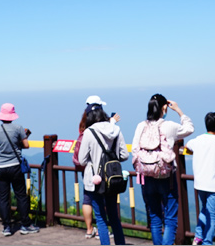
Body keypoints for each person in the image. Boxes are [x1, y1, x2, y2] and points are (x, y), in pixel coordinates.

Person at [131, 94, 194, 245]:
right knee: (171, 219)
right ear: (164, 107)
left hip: (146, 177)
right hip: (167, 178)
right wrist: (179, 110)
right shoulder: (169, 126)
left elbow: (134, 150)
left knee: (154, 218)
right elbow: (189, 128)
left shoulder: (141, 126)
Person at [78, 103, 129, 245]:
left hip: (95, 180)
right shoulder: (116, 129)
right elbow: (124, 155)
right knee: (114, 216)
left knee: (100, 217)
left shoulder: (89, 132)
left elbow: (82, 160)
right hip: (112, 178)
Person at [0, 103, 39, 236]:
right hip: (15, 166)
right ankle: (25, 225)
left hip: (0, 167)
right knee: (21, 196)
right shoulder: (18, 129)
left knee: (3, 198)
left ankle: (6, 227)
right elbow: (26, 145)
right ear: (12, 115)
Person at [185, 112, 215, 245]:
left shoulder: (198, 139)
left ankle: (198, 236)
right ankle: (207, 242)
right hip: (213, 184)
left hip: (199, 183)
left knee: (204, 209)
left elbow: (188, 145)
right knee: (211, 214)